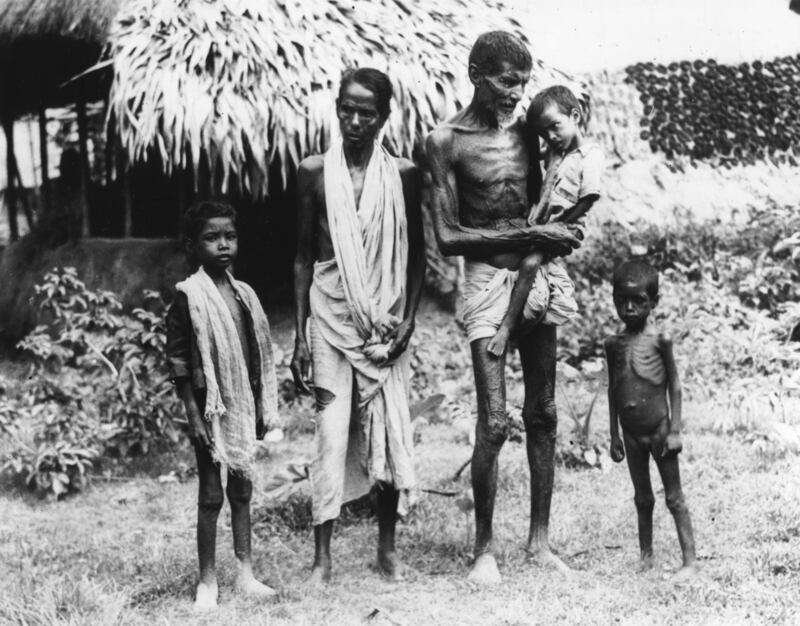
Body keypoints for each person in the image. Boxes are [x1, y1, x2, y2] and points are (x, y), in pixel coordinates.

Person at [426, 31, 582, 584]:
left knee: (543, 413)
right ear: (475, 74)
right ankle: (484, 550)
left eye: (522, 82)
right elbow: (446, 235)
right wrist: (521, 231)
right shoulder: (444, 141)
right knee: (493, 423)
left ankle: (540, 542)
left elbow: (555, 191)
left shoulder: (528, 132)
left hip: (537, 276)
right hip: (487, 281)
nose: (516, 93)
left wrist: (558, 229)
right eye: (504, 81)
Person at [291, 67, 425, 584]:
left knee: (388, 429)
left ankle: (386, 549)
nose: (352, 119)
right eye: (345, 108)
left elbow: (416, 255)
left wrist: (409, 319)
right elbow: (303, 257)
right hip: (329, 316)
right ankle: (322, 558)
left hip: (385, 324)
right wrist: (299, 334)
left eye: (365, 112)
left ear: (384, 118)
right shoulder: (313, 171)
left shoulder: (405, 175)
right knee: (329, 433)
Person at [166, 200, 279, 609]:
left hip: (243, 405)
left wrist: (262, 408)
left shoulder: (244, 294)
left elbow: (256, 353)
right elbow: (178, 362)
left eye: (229, 236)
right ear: (192, 246)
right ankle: (207, 581)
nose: (223, 245)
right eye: (211, 238)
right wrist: (193, 414)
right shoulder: (187, 297)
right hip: (209, 408)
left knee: (243, 488)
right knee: (212, 493)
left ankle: (246, 572)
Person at [486, 85, 604, 357]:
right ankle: (517, 317)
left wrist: (561, 222)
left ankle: (507, 328)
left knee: (529, 263)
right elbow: (528, 143)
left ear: (575, 116)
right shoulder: (556, 152)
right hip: (543, 220)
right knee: (510, 258)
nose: (551, 136)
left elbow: (589, 197)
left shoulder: (590, 156)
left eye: (555, 127)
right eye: (544, 133)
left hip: (566, 225)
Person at [604, 260, 698, 580]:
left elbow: (674, 385)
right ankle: (646, 558)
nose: (629, 308)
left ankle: (690, 562)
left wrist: (674, 430)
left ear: (653, 302)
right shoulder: (612, 344)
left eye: (638, 301)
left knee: (674, 497)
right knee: (642, 497)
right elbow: (613, 389)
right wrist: (615, 434)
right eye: (622, 300)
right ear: (614, 299)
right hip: (630, 435)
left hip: (659, 430)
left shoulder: (662, 340)